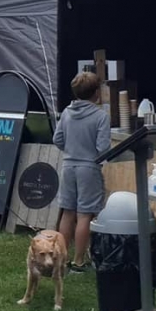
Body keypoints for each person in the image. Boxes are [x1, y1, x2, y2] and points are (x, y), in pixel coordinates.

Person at [54, 72, 111, 273]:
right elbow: (102, 147)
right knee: (85, 214)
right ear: (96, 93)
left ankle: (61, 260)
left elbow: (57, 139)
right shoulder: (101, 116)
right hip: (89, 168)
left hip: (68, 166)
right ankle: (79, 262)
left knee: (68, 212)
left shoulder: (67, 113)